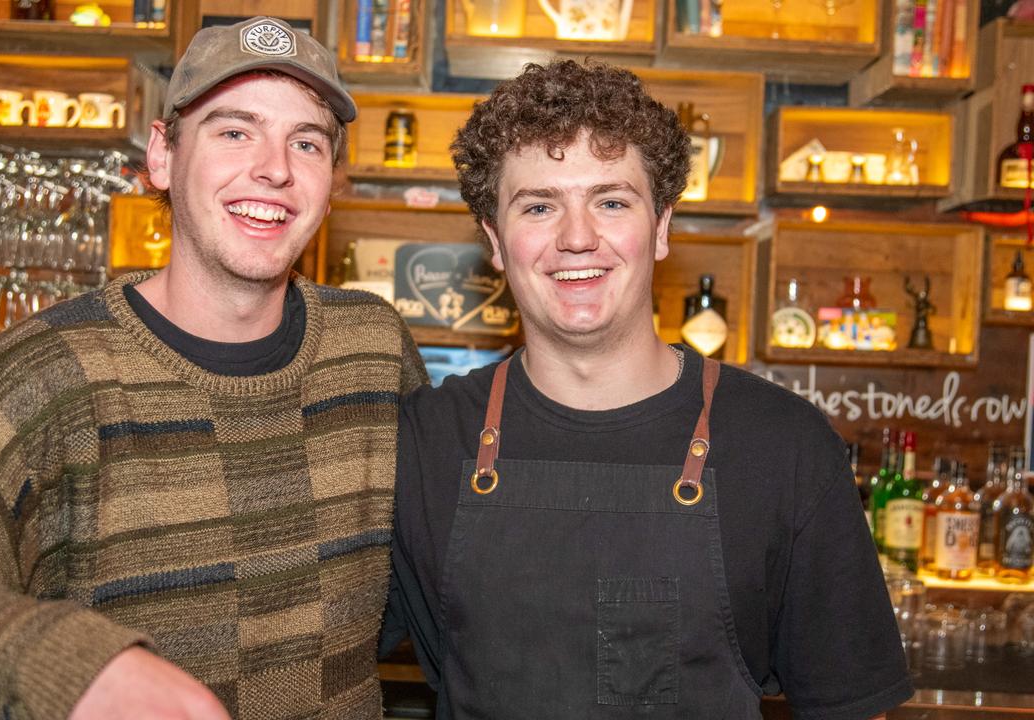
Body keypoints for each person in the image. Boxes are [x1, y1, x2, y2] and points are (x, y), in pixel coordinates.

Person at [0, 16, 426, 720]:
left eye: (307, 141)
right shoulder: (48, 373)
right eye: (233, 131)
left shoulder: (375, 349)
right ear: (162, 156)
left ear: (332, 180)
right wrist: (74, 665)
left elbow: (427, 583)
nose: (275, 166)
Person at [382, 60, 912, 719]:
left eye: (610, 201)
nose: (578, 238)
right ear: (495, 240)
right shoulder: (424, 443)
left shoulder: (786, 448)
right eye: (540, 206)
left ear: (661, 226)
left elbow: (850, 707)